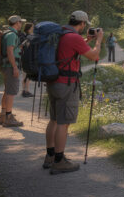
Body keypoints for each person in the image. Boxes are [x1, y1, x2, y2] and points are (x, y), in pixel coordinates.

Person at [44, 10, 103, 174]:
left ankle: (50, 156)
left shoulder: (62, 33)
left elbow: (68, 49)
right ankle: (59, 161)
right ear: (82, 23)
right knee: (63, 123)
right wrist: (98, 41)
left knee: (54, 120)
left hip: (53, 82)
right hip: (66, 84)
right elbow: (94, 56)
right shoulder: (74, 38)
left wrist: (87, 40)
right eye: (85, 24)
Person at [0, 15, 25, 127]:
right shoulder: (12, 35)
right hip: (10, 66)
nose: (21, 24)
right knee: (11, 92)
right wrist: (15, 67)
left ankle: (3, 116)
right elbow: (9, 52)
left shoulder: (7, 33)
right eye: (20, 22)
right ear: (17, 23)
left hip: (7, 65)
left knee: (7, 90)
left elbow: (12, 50)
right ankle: (9, 118)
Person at [20, 22, 35, 98]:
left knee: (27, 76)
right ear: (29, 28)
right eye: (32, 27)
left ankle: (26, 90)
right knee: (26, 75)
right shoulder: (24, 36)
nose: (33, 29)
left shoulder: (26, 36)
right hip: (25, 59)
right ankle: (25, 91)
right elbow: (22, 46)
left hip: (27, 58)